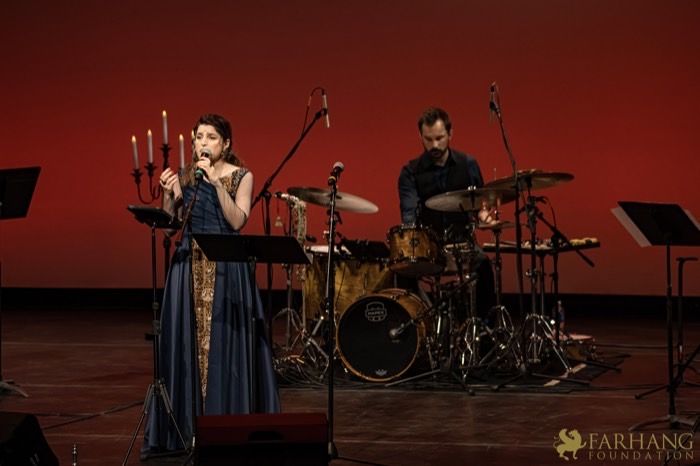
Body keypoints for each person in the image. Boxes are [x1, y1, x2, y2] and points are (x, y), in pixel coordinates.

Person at [142, 114, 280, 457]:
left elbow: (237, 221)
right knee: (187, 348)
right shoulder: (187, 175)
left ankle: (225, 426)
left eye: (211, 137)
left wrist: (216, 184)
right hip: (187, 268)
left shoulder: (241, 176)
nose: (203, 143)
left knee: (224, 348)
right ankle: (184, 429)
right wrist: (169, 196)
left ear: (226, 144)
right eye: (199, 137)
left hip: (226, 269)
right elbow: (172, 229)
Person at [397, 107, 496, 318]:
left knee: (485, 267)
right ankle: (423, 324)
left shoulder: (468, 164)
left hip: (462, 244)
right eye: (428, 139)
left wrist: (483, 216)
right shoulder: (410, 172)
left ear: (450, 134)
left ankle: (484, 328)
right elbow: (409, 214)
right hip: (429, 247)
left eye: (439, 138)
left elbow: (480, 204)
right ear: (420, 136)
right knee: (401, 273)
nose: (434, 145)